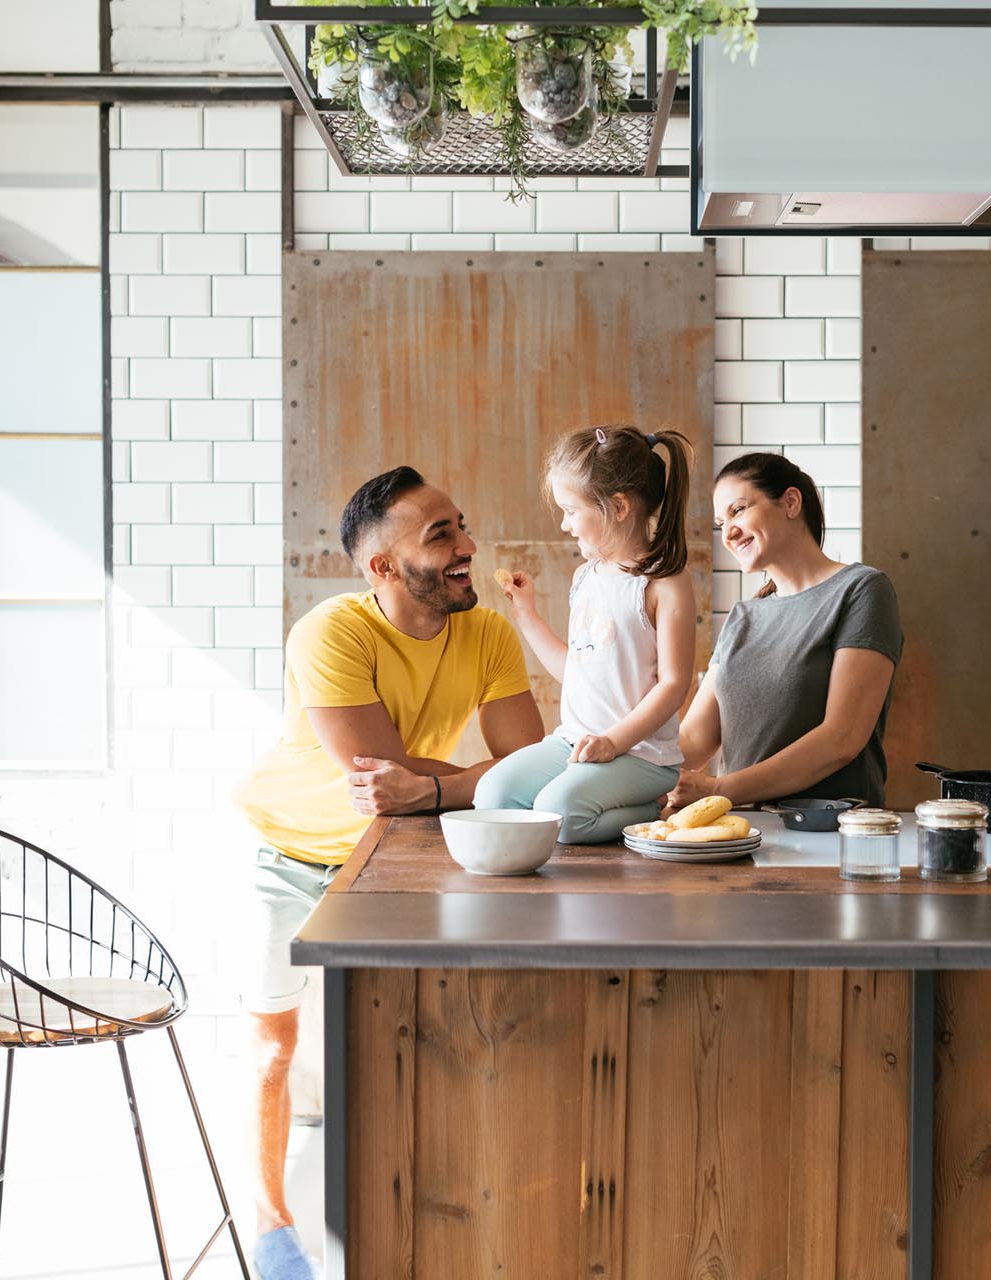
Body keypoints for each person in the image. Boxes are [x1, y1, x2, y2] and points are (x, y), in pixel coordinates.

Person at [230, 465, 543, 1279]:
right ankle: (270, 1229)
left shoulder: (488, 634)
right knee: (274, 1051)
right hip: (293, 856)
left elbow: (532, 772)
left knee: (411, 1040)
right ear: (381, 567)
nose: (468, 547)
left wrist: (436, 787)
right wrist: (465, 784)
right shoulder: (330, 632)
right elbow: (382, 778)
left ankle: (416, 1229)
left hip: (404, 855)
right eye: (441, 536)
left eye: (461, 527)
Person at [478, 426, 698, 843]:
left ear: (617, 507)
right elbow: (577, 671)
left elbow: (674, 684)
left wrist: (613, 742)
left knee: (559, 814)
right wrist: (527, 616)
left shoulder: (664, 583)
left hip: (641, 756)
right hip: (573, 744)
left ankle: (649, 809)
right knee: (492, 796)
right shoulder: (585, 578)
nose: (564, 525)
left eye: (572, 511)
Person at [664, 451, 903, 814]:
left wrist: (720, 789)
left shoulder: (861, 590)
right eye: (719, 522)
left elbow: (842, 739)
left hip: (830, 832)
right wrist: (618, 759)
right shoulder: (744, 616)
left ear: (791, 502)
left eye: (738, 510)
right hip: (743, 829)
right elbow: (695, 738)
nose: (727, 532)